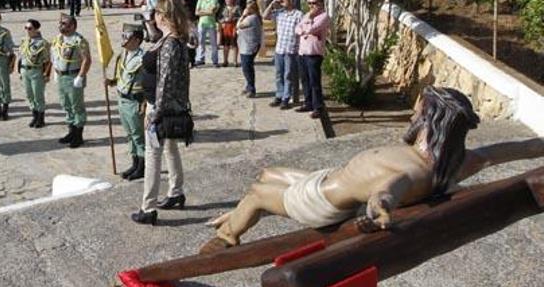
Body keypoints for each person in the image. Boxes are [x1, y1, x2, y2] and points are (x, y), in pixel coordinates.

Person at [200, 86, 544, 253]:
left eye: (417, 113)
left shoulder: (414, 170)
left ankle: (227, 236)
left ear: (430, 120)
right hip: (325, 179)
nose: (412, 116)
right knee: (267, 173)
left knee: (260, 194)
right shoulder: (453, 162)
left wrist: (380, 208)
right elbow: (513, 150)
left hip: (322, 201)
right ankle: (235, 214)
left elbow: (389, 191)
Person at [132, 0, 192, 225]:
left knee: (153, 155)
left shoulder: (170, 44)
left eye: (155, 13)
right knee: (170, 150)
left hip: (160, 107)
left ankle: (148, 207)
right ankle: (176, 192)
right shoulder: (170, 39)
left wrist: (155, 113)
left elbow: (165, 80)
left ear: (163, 16)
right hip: (163, 104)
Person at [105, 23, 146, 181]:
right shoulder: (122, 55)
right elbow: (122, 76)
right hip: (122, 99)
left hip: (135, 101)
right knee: (129, 134)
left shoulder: (143, 58)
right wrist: (112, 81)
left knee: (138, 136)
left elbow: (149, 83)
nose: (123, 39)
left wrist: (145, 103)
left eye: (126, 36)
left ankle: (142, 166)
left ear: (136, 39)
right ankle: (134, 163)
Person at [51, 14, 92, 148]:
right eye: (60, 23)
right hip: (62, 75)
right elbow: (55, 55)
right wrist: (55, 71)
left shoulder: (79, 41)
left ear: (72, 26)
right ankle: (71, 131)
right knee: (66, 104)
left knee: (77, 106)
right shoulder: (58, 39)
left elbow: (86, 59)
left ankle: (78, 135)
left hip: (73, 76)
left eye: (64, 24)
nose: (60, 26)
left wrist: (81, 76)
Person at [263, 0, 303, 109]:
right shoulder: (279, 13)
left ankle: (286, 98)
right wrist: (272, 3)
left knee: (288, 75)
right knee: (279, 74)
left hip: (291, 49)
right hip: (279, 49)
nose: (282, 3)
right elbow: (265, 16)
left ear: (291, 1)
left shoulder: (298, 14)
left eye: (283, 0)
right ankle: (279, 95)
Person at [295, 0, 330, 118]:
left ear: (321, 4)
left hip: (314, 53)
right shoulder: (306, 15)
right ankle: (308, 102)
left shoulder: (324, 16)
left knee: (314, 81)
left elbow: (313, 28)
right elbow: (297, 28)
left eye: (314, 3)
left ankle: (318, 107)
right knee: (305, 80)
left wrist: (308, 22)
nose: (311, 6)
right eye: (309, 3)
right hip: (303, 52)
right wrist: (303, 29)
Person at [17, 19, 51, 128]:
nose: (27, 30)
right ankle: (34, 115)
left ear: (36, 29)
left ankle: (41, 118)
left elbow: (47, 61)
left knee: (38, 95)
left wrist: (46, 74)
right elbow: (21, 57)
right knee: (29, 95)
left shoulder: (43, 43)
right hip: (25, 70)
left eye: (30, 28)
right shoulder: (24, 41)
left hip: (36, 71)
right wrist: (19, 71)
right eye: (26, 28)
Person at [237, 1, 263, 97]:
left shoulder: (252, 18)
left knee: (247, 68)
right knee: (246, 67)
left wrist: (243, 16)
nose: (246, 10)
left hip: (249, 46)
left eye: (248, 8)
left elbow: (239, 25)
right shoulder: (252, 17)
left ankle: (251, 89)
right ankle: (248, 86)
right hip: (245, 45)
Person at [194, 0, 220, 67]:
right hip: (202, 23)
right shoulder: (200, 0)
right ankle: (200, 59)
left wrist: (202, 12)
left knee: (213, 43)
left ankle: (215, 60)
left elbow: (213, 11)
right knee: (201, 42)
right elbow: (196, 12)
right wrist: (207, 12)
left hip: (211, 23)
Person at [219, 0, 241, 67]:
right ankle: (225, 61)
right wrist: (224, 20)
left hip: (234, 27)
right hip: (225, 27)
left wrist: (233, 19)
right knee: (225, 45)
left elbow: (241, 17)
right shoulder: (223, 8)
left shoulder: (237, 8)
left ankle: (235, 61)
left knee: (235, 44)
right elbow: (219, 18)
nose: (227, 0)